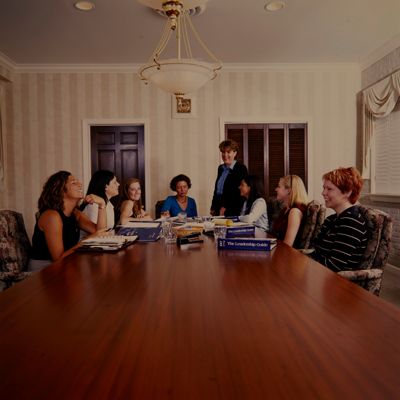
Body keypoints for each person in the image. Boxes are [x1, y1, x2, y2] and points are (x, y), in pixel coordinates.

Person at [30, 171, 107, 268]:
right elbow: (58, 259)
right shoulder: (51, 216)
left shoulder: (75, 213)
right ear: (60, 190)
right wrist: (87, 241)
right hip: (44, 269)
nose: (80, 184)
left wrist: (102, 205)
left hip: (66, 264)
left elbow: (99, 232)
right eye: (74, 183)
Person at [311, 167, 368, 272]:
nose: (323, 193)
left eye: (329, 189)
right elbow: (316, 251)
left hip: (336, 284)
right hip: (318, 275)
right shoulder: (330, 220)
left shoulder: (352, 222)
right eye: (324, 188)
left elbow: (334, 266)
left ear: (347, 192)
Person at [211, 139, 248, 217]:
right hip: (218, 207)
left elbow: (240, 193)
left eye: (228, 152)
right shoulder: (220, 168)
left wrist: (226, 207)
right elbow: (217, 190)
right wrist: (213, 207)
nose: (225, 155)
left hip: (233, 209)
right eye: (223, 152)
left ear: (235, 153)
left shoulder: (240, 168)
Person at [270, 174, 309, 247]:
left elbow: (287, 245)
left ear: (288, 190)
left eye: (279, 186)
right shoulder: (286, 209)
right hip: (278, 248)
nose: (276, 189)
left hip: (287, 255)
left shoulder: (294, 212)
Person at [80, 170, 119, 237]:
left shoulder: (109, 205)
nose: (118, 184)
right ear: (105, 186)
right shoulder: (93, 205)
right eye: (115, 182)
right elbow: (98, 233)